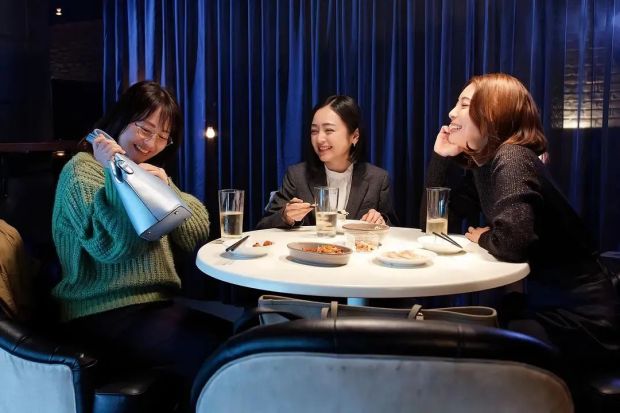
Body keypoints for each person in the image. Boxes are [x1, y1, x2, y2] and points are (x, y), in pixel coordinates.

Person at [423, 73, 619, 373]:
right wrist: (440, 157)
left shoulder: (512, 157)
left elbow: (512, 243)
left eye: (464, 104)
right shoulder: (485, 166)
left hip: (582, 317)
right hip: (547, 301)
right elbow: (436, 222)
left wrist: (482, 237)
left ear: (492, 113)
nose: (451, 112)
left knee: (477, 354)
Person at [51, 81, 231, 407]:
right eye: (145, 129)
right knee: (215, 351)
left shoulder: (142, 174)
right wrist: (115, 173)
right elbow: (113, 247)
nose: (151, 143)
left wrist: (167, 188)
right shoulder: (81, 171)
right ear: (122, 119)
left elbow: (194, 234)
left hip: (153, 306)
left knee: (238, 336)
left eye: (163, 136)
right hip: (100, 311)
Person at [256, 95, 397, 229]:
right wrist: (286, 216)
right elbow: (264, 225)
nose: (319, 139)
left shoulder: (378, 179)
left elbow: (393, 228)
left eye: (329, 130)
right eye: (314, 131)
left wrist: (380, 221)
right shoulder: (297, 176)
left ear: (354, 136)